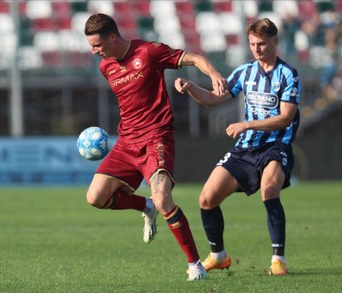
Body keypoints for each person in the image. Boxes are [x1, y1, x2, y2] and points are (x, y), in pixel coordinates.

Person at [83, 13, 226, 281]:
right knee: (95, 198)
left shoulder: (149, 52)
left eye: (97, 45)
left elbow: (193, 58)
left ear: (112, 37)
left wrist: (214, 74)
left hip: (156, 138)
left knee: (164, 199)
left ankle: (195, 264)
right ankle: (144, 206)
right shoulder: (106, 67)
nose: (94, 51)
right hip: (126, 143)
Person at [174, 18, 301, 276]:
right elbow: (212, 99)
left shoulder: (288, 74)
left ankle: (278, 259)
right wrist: (190, 87)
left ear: (275, 42)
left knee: (269, 189)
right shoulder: (245, 72)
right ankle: (219, 256)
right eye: (253, 44)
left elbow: (286, 118)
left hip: (276, 145)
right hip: (246, 149)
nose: (257, 49)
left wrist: (247, 125)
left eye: (262, 43)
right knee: (207, 198)